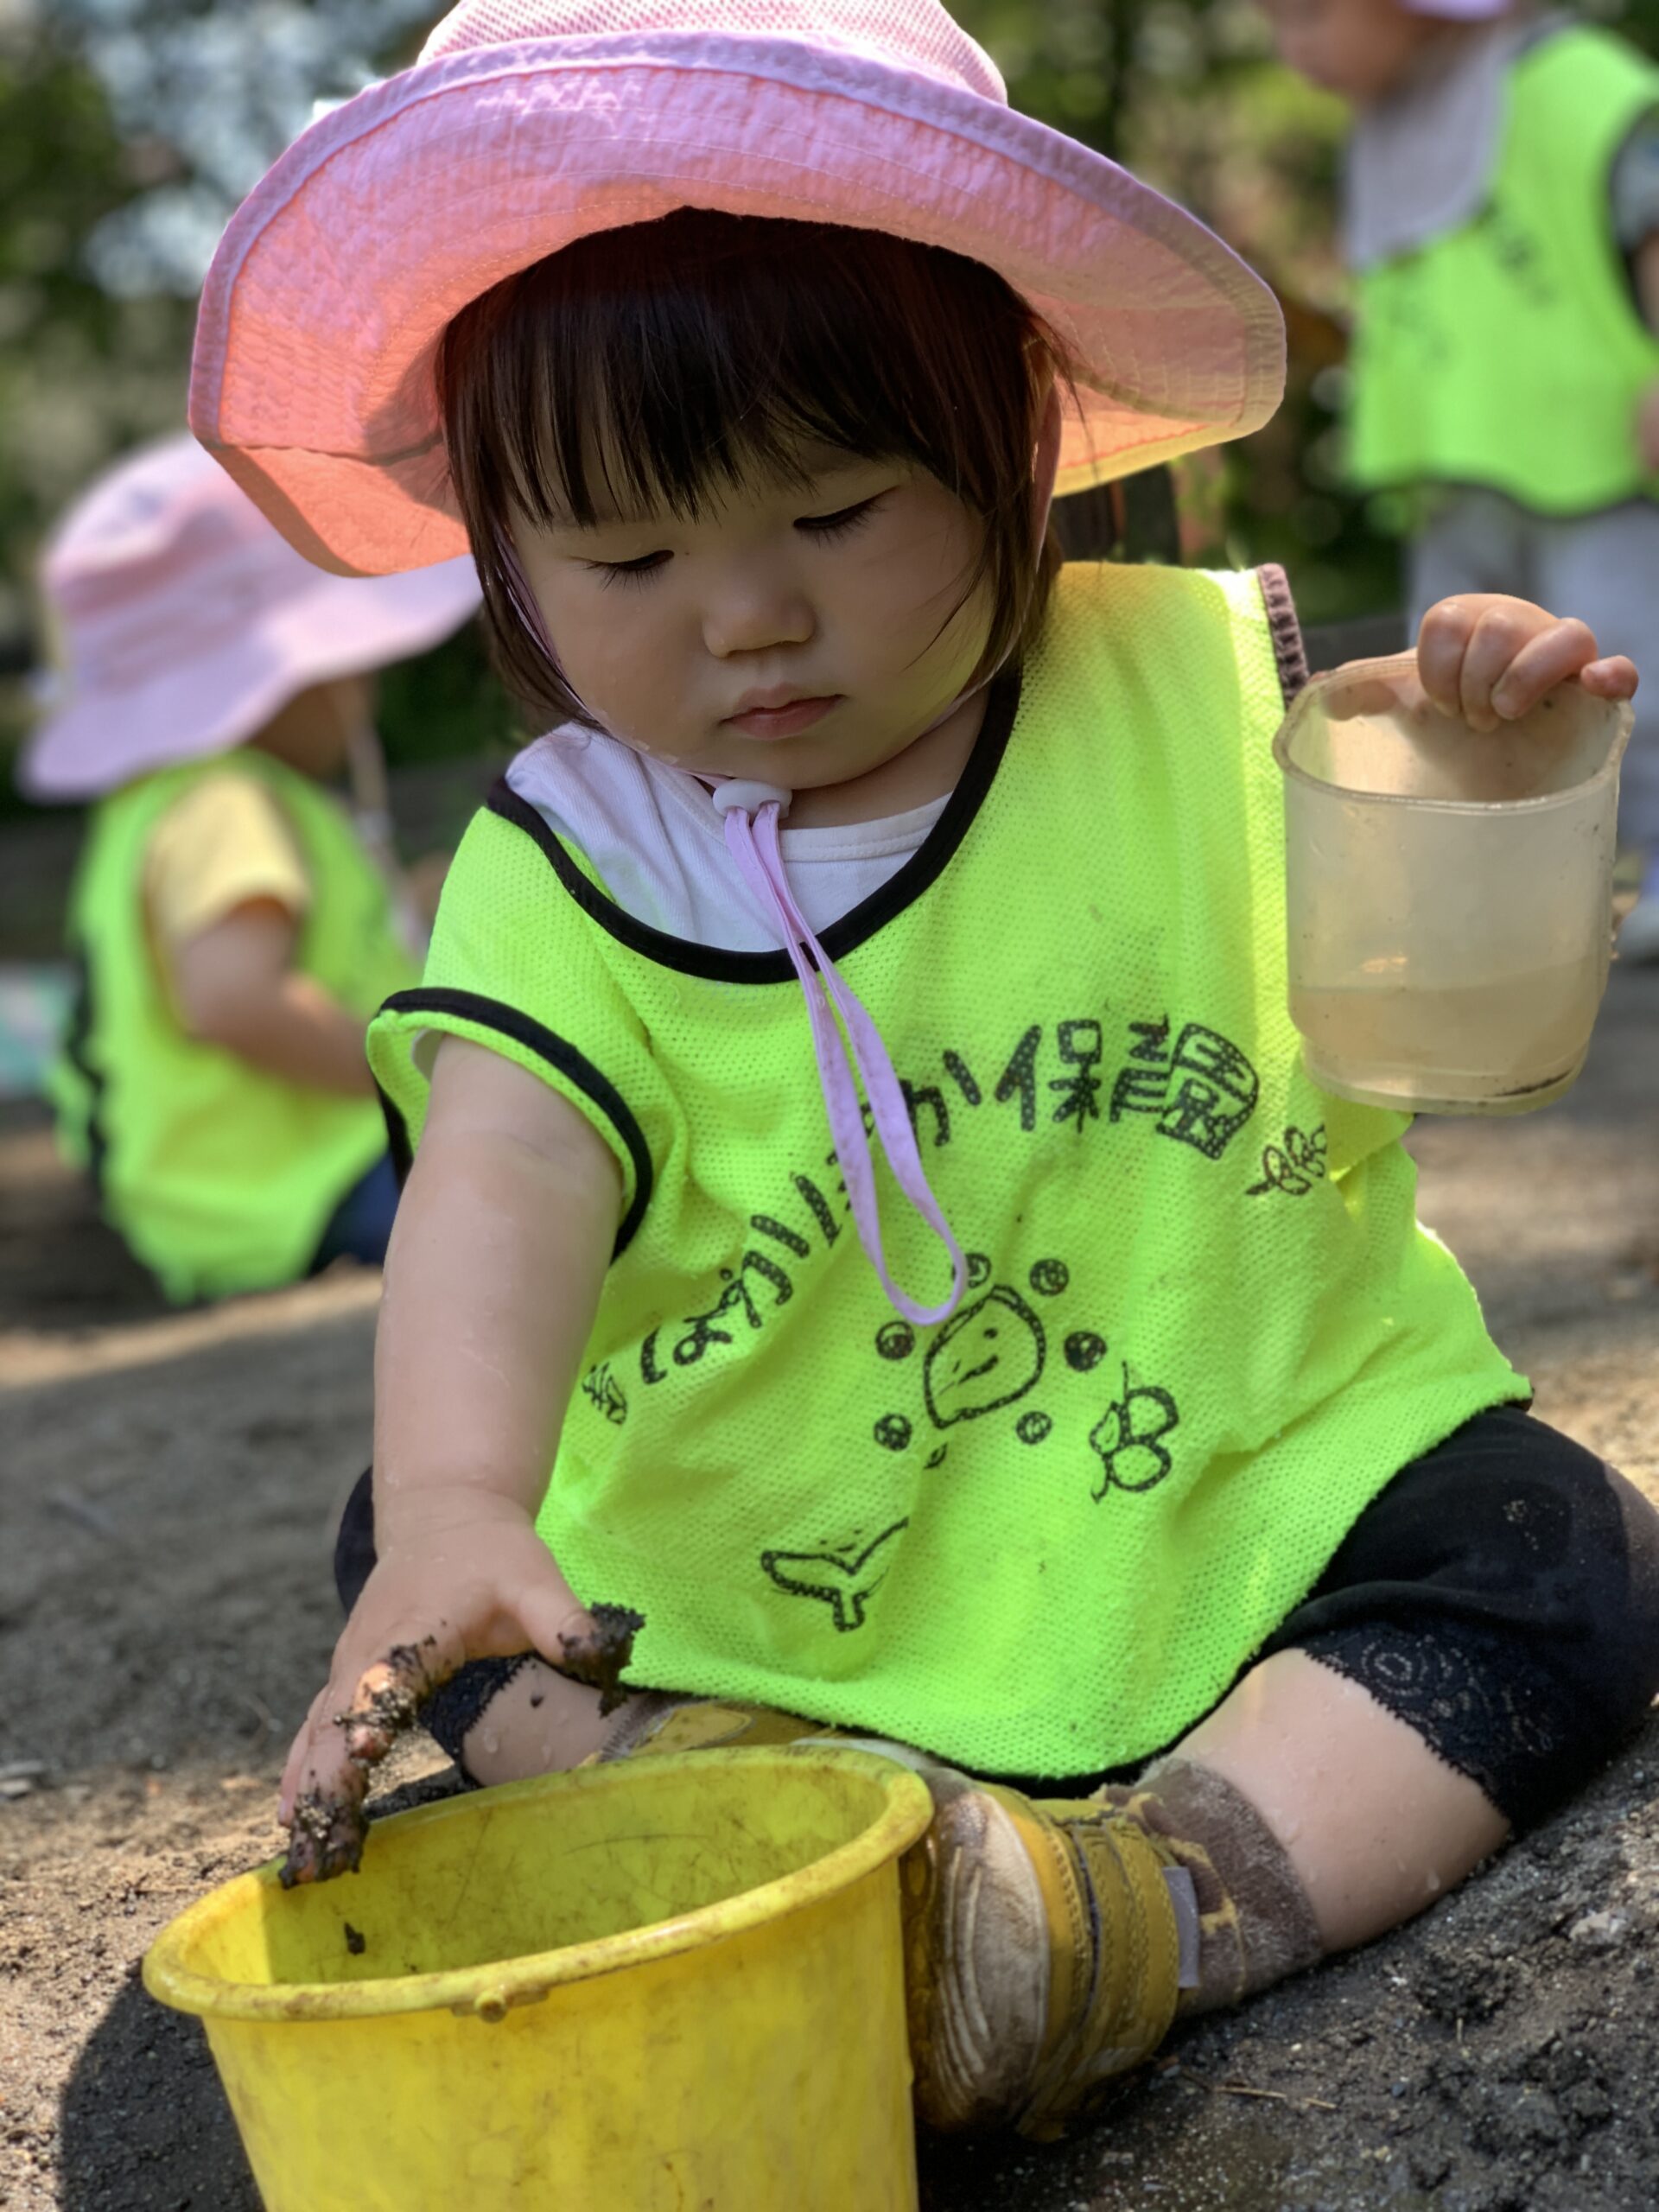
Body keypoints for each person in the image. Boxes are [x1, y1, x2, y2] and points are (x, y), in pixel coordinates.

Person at [192, 0, 1659, 2139]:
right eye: (627, 557)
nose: (745, 618)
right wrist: (454, 1509)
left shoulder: (1192, 686)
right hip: (772, 1544)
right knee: (426, 1570)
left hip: (1234, 1455)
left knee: (1551, 1552)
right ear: (502, 552)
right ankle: (739, 1807)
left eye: (837, 509)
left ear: (1009, 438)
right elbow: (500, 1175)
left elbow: (1447, 1006)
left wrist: (1491, 774)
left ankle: (1106, 1916)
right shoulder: (567, 861)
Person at [21, 435, 481, 1303]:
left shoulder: (164, 804)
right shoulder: (225, 804)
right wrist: (422, 1083)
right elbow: (234, 998)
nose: (366, 684)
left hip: (249, 1193)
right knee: (540, 1181)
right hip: (298, 1184)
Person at [1263, 0, 1659, 955]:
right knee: (1460, 699)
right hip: (1453, 479)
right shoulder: (1395, 122)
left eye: (1304, 13)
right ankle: (1511, 902)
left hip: (1594, 463)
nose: (1289, 48)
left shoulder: (1570, 81)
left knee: (1632, 675)